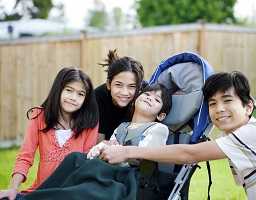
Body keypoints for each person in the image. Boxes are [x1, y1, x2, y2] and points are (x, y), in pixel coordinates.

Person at [101, 71, 256, 200]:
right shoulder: (239, 138)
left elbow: (190, 154)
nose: (219, 109)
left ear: (248, 107)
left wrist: (127, 151)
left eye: (227, 100)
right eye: (212, 104)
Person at [16, 83, 172, 200]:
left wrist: (117, 150)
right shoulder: (122, 126)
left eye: (156, 99)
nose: (150, 99)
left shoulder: (157, 128)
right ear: (136, 99)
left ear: (161, 115)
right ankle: (38, 195)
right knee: (75, 158)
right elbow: (105, 150)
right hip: (107, 169)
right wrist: (103, 148)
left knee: (84, 189)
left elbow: (146, 156)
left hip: (128, 177)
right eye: (147, 95)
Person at [0, 67, 99, 200]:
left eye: (80, 94)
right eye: (69, 90)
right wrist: (13, 188)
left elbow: (87, 164)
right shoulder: (39, 116)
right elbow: (25, 156)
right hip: (42, 191)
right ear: (58, 90)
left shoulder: (90, 123)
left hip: (73, 193)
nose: (73, 98)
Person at [94, 49, 145, 141]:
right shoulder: (98, 97)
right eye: (118, 85)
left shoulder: (145, 95)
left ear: (139, 87)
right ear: (109, 84)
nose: (124, 92)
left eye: (131, 86)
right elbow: (99, 138)